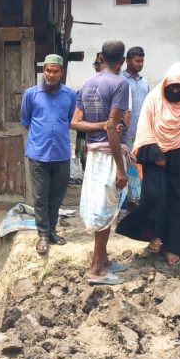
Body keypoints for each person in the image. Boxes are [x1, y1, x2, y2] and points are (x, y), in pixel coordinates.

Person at [116, 62, 180, 267]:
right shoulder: (153, 99)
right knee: (154, 197)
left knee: (179, 201)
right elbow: (144, 127)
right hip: (156, 156)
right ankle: (154, 235)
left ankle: (173, 246)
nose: (177, 91)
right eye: (173, 87)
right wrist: (156, 153)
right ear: (165, 85)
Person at [72, 40, 130, 285]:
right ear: (122, 61)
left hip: (92, 153)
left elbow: (75, 123)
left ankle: (104, 260)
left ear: (102, 58)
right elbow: (113, 129)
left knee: (100, 207)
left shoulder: (86, 83)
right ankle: (97, 269)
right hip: (108, 154)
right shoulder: (120, 84)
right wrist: (120, 167)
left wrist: (99, 125)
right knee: (106, 211)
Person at [21, 54, 76, 254]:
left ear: (61, 72)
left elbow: (70, 119)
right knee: (40, 197)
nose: (51, 75)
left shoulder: (70, 95)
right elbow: (25, 120)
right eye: (48, 71)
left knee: (56, 196)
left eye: (55, 71)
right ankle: (43, 234)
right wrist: (41, 138)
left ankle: (52, 231)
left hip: (61, 154)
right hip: (38, 155)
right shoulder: (31, 94)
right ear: (43, 71)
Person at [122, 47, 149, 206]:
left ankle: (134, 201)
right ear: (127, 60)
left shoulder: (145, 82)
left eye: (142, 61)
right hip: (125, 135)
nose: (140, 64)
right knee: (123, 170)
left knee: (137, 170)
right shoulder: (121, 81)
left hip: (141, 136)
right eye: (137, 61)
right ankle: (123, 204)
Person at [74, 52, 105, 169]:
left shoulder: (118, 86)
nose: (98, 67)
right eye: (96, 64)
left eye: (100, 63)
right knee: (88, 169)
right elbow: (76, 118)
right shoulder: (86, 86)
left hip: (106, 140)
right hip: (84, 137)